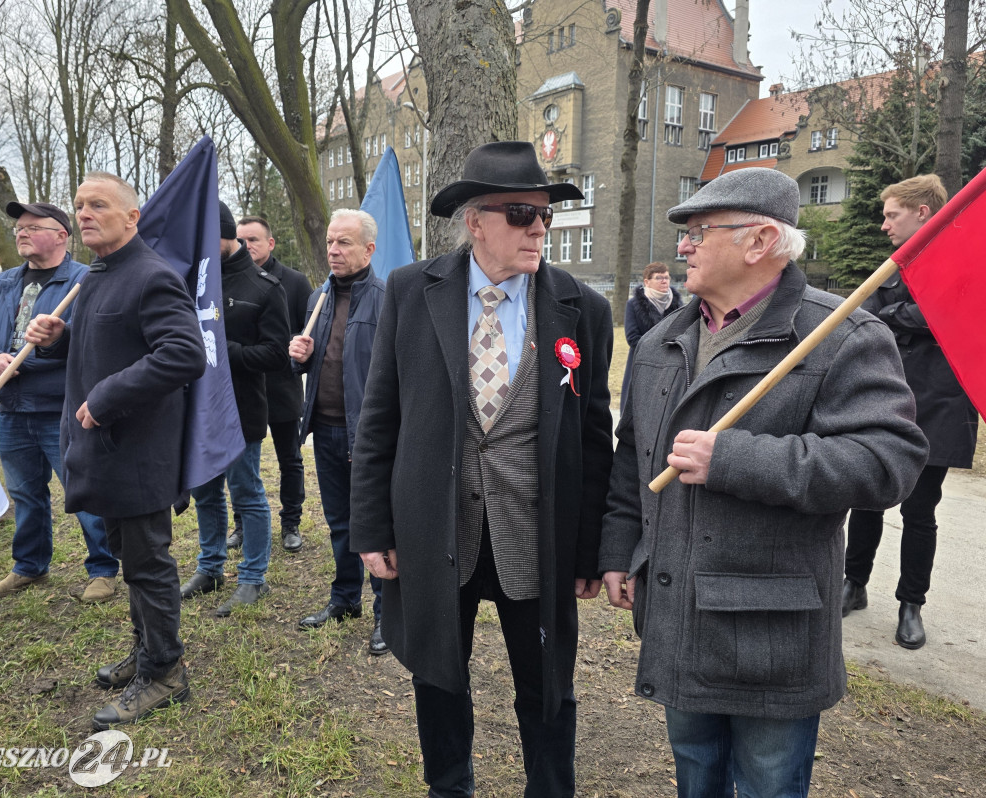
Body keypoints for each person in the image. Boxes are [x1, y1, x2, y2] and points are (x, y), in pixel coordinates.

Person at [599, 167, 928, 798]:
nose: (683, 247)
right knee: (695, 779)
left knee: (767, 788)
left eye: (699, 232)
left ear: (760, 241)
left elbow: (889, 462)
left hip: (770, 641)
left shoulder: (842, 335)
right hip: (678, 621)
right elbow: (631, 463)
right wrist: (619, 552)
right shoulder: (661, 342)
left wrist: (736, 460)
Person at [350, 141, 614, 797]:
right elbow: (379, 416)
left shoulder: (585, 309)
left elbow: (592, 437)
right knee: (439, 679)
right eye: (522, 214)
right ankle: (449, 786)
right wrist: (371, 529)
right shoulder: (412, 291)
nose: (539, 228)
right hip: (437, 534)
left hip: (536, 536)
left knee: (548, 687)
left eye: (546, 215)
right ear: (475, 221)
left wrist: (589, 547)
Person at [25, 172, 206, 730]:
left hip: (138, 452)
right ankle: (146, 651)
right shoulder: (99, 276)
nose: (83, 213)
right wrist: (60, 344)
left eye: (97, 204)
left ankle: (167, 671)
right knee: (131, 562)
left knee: (149, 565)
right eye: (79, 205)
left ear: (133, 217)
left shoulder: (151, 276)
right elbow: (104, 350)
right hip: (106, 449)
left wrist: (107, 396)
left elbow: (184, 353)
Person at [842, 174, 979, 650]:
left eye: (891, 214)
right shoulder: (898, 264)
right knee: (867, 495)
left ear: (923, 212)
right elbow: (870, 311)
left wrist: (898, 315)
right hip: (887, 397)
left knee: (920, 510)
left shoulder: (961, 257)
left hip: (939, 403)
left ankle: (911, 604)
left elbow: (941, 314)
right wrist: (906, 314)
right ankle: (853, 583)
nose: (884, 225)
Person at [0, 201, 119, 603]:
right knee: (26, 493)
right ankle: (29, 566)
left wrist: (57, 340)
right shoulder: (5, 282)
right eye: (19, 228)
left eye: (33, 226)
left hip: (61, 409)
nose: (22, 233)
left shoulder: (85, 281)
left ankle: (103, 569)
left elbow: (94, 342)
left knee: (81, 490)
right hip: (12, 408)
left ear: (62, 235)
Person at [181, 203, 290, 615]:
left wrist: (224, 353)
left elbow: (278, 355)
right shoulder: (191, 280)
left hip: (240, 410)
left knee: (246, 492)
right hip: (197, 409)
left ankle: (253, 577)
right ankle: (210, 569)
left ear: (226, 237)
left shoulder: (264, 287)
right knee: (205, 491)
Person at [290, 209, 386, 655]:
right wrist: (298, 355)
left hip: (366, 436)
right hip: (325, 430)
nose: (333, 250)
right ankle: (345, 599)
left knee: (377, 526)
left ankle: (388, 613)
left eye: (344, 242)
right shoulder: (318, 299)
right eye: (330, 241)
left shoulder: (387, 300)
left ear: (368, 249)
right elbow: (314, 361)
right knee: (340, 523)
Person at [235, 215, 312, 552]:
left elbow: (310, 331)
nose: (246, 246)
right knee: (239, 462)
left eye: (252, 239)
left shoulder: (294, 282)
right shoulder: (231, 280)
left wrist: (291, 345)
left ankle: (291, 523)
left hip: (281, 387)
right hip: (242, 391)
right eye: (240, 240)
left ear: (270, 243)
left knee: (289, 458)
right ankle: (240, 525)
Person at [619, 261, 683, 414]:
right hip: (642, 361)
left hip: (670, 363)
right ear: (647, 282)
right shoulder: (634, 304)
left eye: (667, 277)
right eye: (659, 278)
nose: (664, 281)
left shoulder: (678, 305)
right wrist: (659, 348)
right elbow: (632, 337)